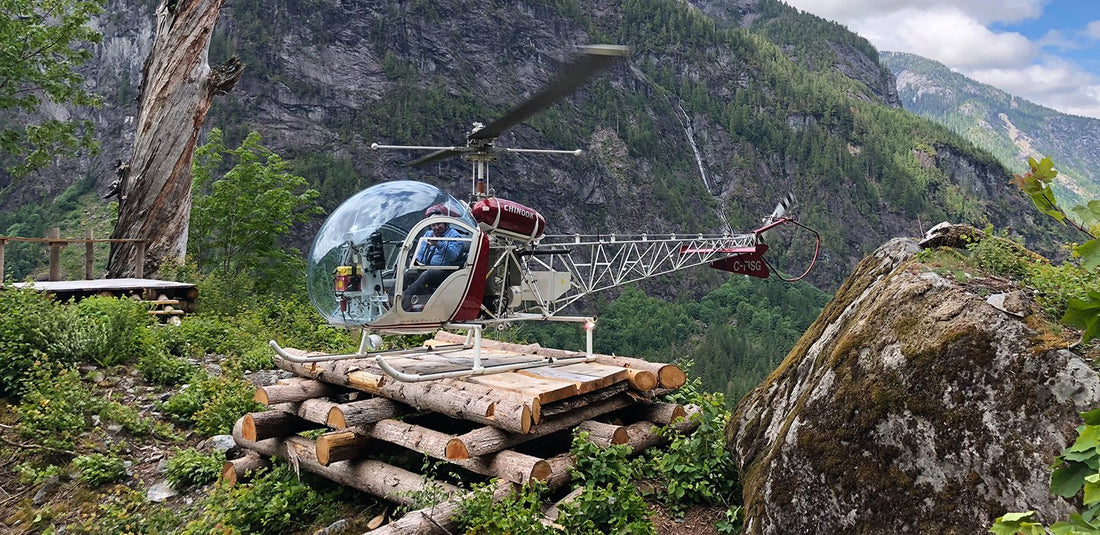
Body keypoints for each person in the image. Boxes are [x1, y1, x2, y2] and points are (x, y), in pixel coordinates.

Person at [401, 207, 463, 311]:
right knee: (408, 273)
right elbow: (420, 252)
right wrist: (417, 261)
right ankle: (391, 298)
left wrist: (438, 244)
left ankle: (404, 302)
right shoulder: (428, 234)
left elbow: (453, 256)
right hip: (426, 267)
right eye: (433, 225)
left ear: (445, 223)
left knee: (428, 274)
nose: (436, 227)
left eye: (439, 224)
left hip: (445, 271)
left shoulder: (454, 235)